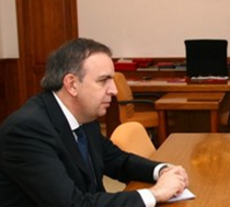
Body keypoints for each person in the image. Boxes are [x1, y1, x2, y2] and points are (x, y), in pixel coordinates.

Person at [0, 38, 189, 207]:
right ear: (72, 84)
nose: (114, 90)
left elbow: (118, 161)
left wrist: (162, 170)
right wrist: (154, 194)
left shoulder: (85, 117)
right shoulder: (26, 130)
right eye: (103, 80)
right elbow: (72, 203)